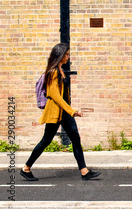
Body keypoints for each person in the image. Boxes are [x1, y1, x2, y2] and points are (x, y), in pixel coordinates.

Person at [20, 43, 101, 181]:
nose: (68, 57)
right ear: (60, 55)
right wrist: (72, 111)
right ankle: (26, 168)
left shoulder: (60, 70)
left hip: (64, 113)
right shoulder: (53, 72)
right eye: (67, 54)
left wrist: (69, 111)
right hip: (55, 112)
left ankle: (84, 171)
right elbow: (55, 96)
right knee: (46, 140)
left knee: (75, 139)